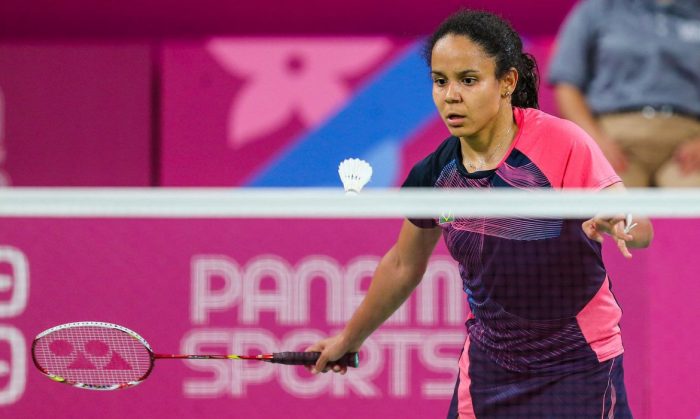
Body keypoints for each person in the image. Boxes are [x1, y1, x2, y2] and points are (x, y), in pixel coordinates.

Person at [306, 9, 654, 418]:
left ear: (507, 82)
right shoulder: (435, 174)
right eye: (440, 81)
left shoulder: (560, 142)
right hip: (490, 370)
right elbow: (403, 264)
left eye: (468, 80)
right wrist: (348, 339)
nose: (451, 95)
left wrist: (619, 221)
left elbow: (641, 227)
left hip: (577, 366)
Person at [548, 0, 700, 187]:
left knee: (692, 200)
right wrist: (593, 141)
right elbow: (567, 84)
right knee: (609, 201)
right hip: (614, 139)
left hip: (689, 143)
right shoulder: (597, 8)